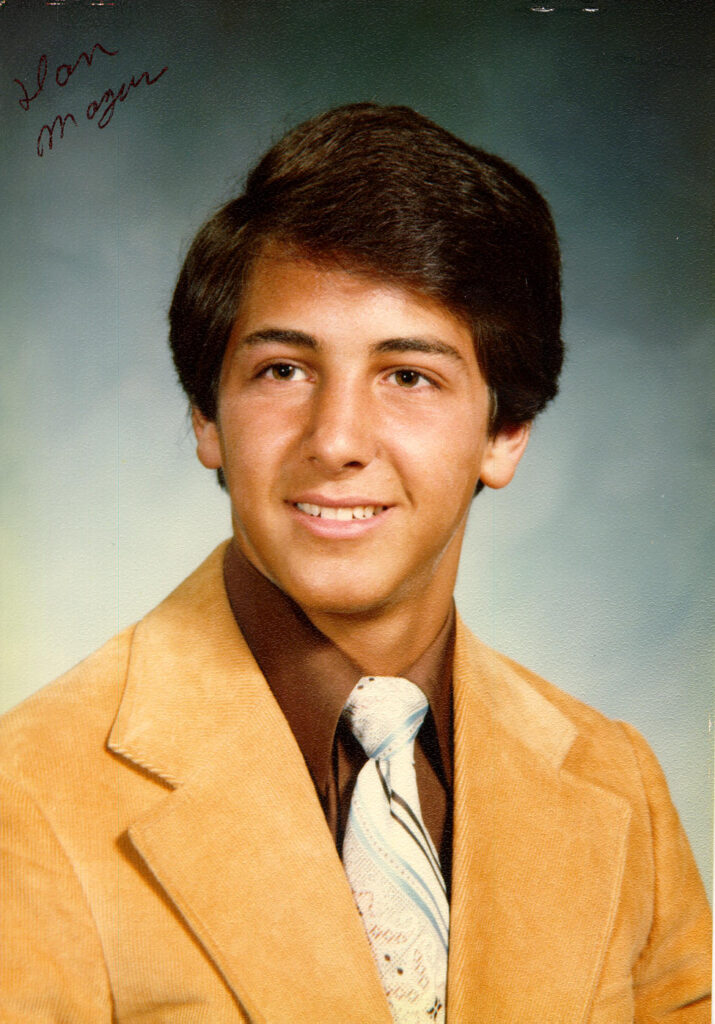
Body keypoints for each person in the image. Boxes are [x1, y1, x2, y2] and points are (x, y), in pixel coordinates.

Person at [0, 103, 710, 1023]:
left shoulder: (619, 787)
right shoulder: (30, 795)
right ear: (206, 419)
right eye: (282, 371)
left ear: (505, 432)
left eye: (408, 375)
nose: (335, 440)